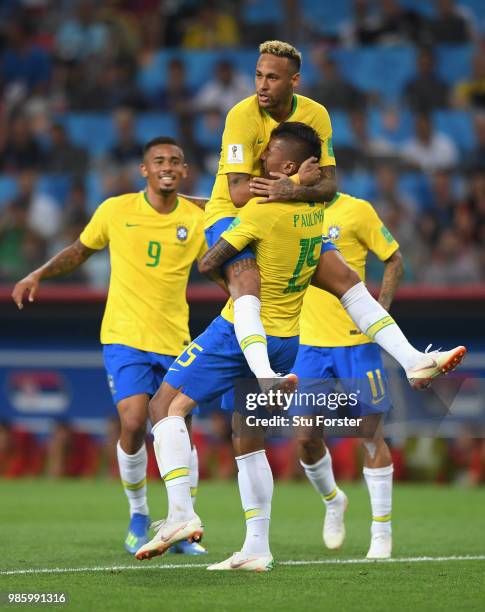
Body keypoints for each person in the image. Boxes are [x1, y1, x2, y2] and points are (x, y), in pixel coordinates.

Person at [204, 39, 465, 392]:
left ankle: (412, 360)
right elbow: (236, 192)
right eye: (258, 76)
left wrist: (293, 191)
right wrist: (296, 180)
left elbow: (327, 186)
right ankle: (267, 377)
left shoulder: (316, 115)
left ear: (294, 81)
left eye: (273, 78)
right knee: (248, 285)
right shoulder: (241, 115)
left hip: (290, 215)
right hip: (232, 216)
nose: (262, 86)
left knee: (347, 281)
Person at [135, 122, 326, 571]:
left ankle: (181, 513)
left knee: (165, 406)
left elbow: (210, 260)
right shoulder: (315, 210)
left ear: (289, 167)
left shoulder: (260, 210)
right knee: (247, 439)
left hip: (241, 328)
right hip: (288, 337)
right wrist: (301, 184)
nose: (260, 164)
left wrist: (223, 269)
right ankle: (257, 548)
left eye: (271, 159)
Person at [11, 136, 208, 556]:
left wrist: (244, 302)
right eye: (158, 161)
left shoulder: (196, 219)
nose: (167, 167)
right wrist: (39, 275)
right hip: (124, 337)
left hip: (176, 339)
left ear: (185, 170)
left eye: (175, 160)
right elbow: (80, 251)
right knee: (134, 421)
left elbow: (217, 265)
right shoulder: (116, 210)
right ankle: (139, 513)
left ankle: (180, 524)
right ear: (144, 170)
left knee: (179, 431)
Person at [292, 191, 403, 560]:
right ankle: (333, 500)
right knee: (306, 437)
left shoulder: (357, 210)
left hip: (356, 344)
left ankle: (381, 532)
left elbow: (394, 258)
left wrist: (379, 313)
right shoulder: (287, 213)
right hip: (308, 345)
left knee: (370, 435)